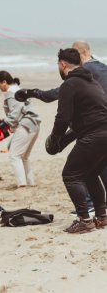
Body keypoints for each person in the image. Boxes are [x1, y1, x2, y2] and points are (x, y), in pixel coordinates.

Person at [15, 40, 107, 209]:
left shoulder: (83, 73)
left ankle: (87, 210)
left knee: (74, 172)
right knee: (97, 168)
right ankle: (99, 211)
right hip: (99, 125)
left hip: (91, 127)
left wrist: (31, 93)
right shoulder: (102, 69)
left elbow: (59, 100)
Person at [45, 48, 107, 233]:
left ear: (63, 64)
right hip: (104, 133)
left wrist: (55, 140)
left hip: (94, 135)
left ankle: (84, 220)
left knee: (71, 175)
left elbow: (62, 118)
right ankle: (102, 217)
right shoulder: (91, 81)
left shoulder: (70, 84)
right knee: (89, 174)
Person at [0, 71, 40, 187]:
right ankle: (30, 183)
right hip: (34, 124)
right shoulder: (18, 89)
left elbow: (16, 112)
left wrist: (2, 125)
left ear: (4, 82)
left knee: (14, 156)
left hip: (25, 125)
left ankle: (22, 185)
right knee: (24, 157)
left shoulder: (11, 92)